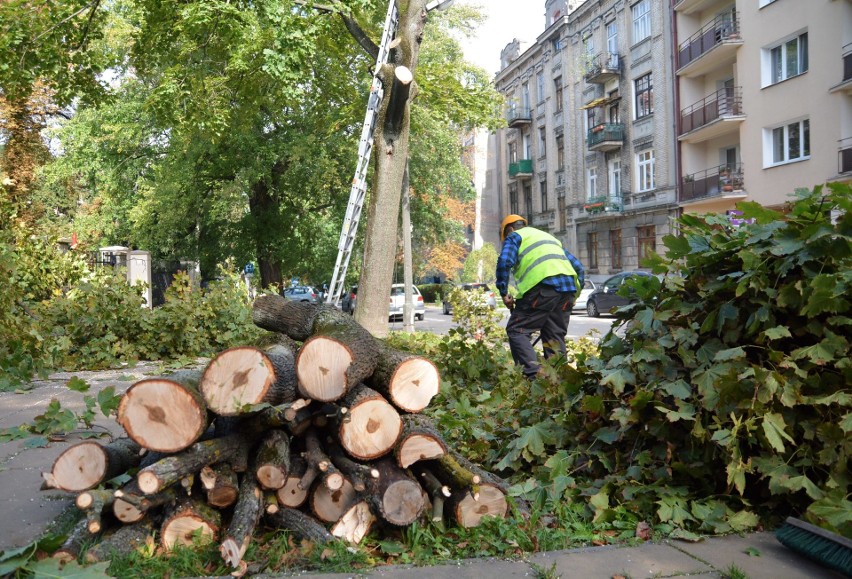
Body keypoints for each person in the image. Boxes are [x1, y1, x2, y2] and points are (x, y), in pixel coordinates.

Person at [495, 214, 585, 379]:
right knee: (553, 338)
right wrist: (573, 296)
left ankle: (534, 380)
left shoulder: (515, 237)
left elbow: (504, 261)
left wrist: (503, 292)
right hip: (567, 291)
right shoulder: (548, 238)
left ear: (510, 229)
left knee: (517, 331)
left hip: (541, 289)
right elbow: (579, 268)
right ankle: (559, 383)